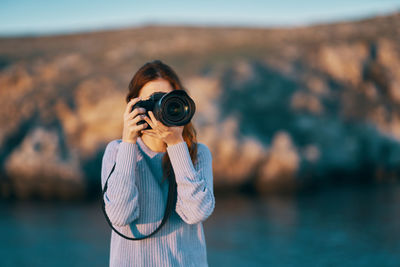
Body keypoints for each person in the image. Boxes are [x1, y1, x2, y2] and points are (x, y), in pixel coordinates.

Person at [101, 59, 215, 267]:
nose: (157, 110)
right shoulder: (116, 151)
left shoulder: (198, 154)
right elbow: (120, 215)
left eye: (164, 101)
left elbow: (196, 213)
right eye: (150, 102)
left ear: (179, 104)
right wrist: (128, 142)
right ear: (133, 105)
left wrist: (176, 144)